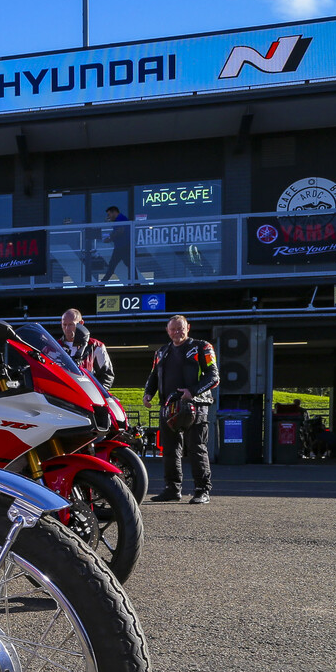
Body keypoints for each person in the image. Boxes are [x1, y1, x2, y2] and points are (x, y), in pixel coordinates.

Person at [143, 315, 218, 503]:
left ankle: (202, 490)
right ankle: (172, 489)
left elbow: (213, 377)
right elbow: (154, 375)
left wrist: (192, 392)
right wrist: (148, 393)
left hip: (195, 405)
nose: (177, 332)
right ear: (167, 331)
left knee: (196, 448)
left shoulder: (202, 347)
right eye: (173, 329)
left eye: (180, 328)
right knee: (169, 449)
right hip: (169, 407)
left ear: (188, 328)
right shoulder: (161, 352)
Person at [59, 308, 115, 388]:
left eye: (71, 324)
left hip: (87, 392)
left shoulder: (96, 346)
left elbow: (107, 376)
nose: (67, 328)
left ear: (81, 323)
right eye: (64, 325)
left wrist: (96, 393)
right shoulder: (54, 347)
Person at [97, 206, 131, 283]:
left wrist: (110, 238)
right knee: (116, 264)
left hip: (123, 247)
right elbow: (118, 231)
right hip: (121, 247)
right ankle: (134, 282)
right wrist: (111, 237)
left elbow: (120, 231)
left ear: (114, 212)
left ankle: (103, 282)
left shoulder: (120, 219)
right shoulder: (119, 219)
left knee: (116, 264)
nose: (108, 217)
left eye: (109, 214)